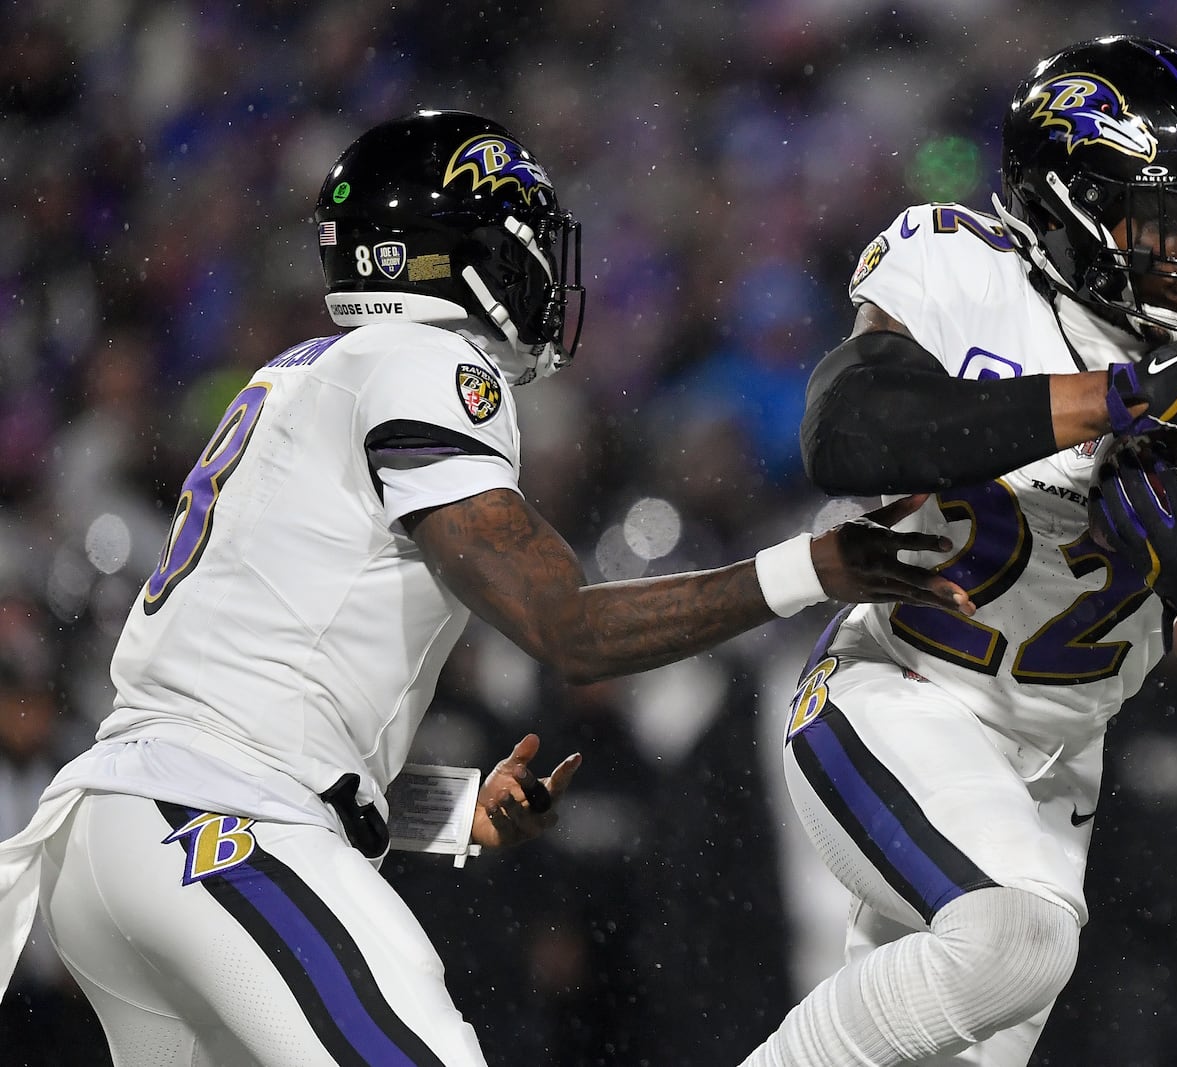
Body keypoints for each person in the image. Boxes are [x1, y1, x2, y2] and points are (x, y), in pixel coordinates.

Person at [0, 109, 973, 1067]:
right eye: (526, 241)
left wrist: (438, 809)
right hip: (217, 825)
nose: (545, 270)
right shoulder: (427, 359)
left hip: (118, 837)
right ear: (453, 252)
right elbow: (568, 628)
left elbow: (248, 698)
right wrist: (814, 565)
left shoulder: (300, 375)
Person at [739, 35, 1177, 1067]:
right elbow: (846, 432)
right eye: (1165, 217)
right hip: (898, 692)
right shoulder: (963, 267)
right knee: (1019, 942)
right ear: (1066, 206)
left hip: (1056, 767)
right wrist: (1115, 402)